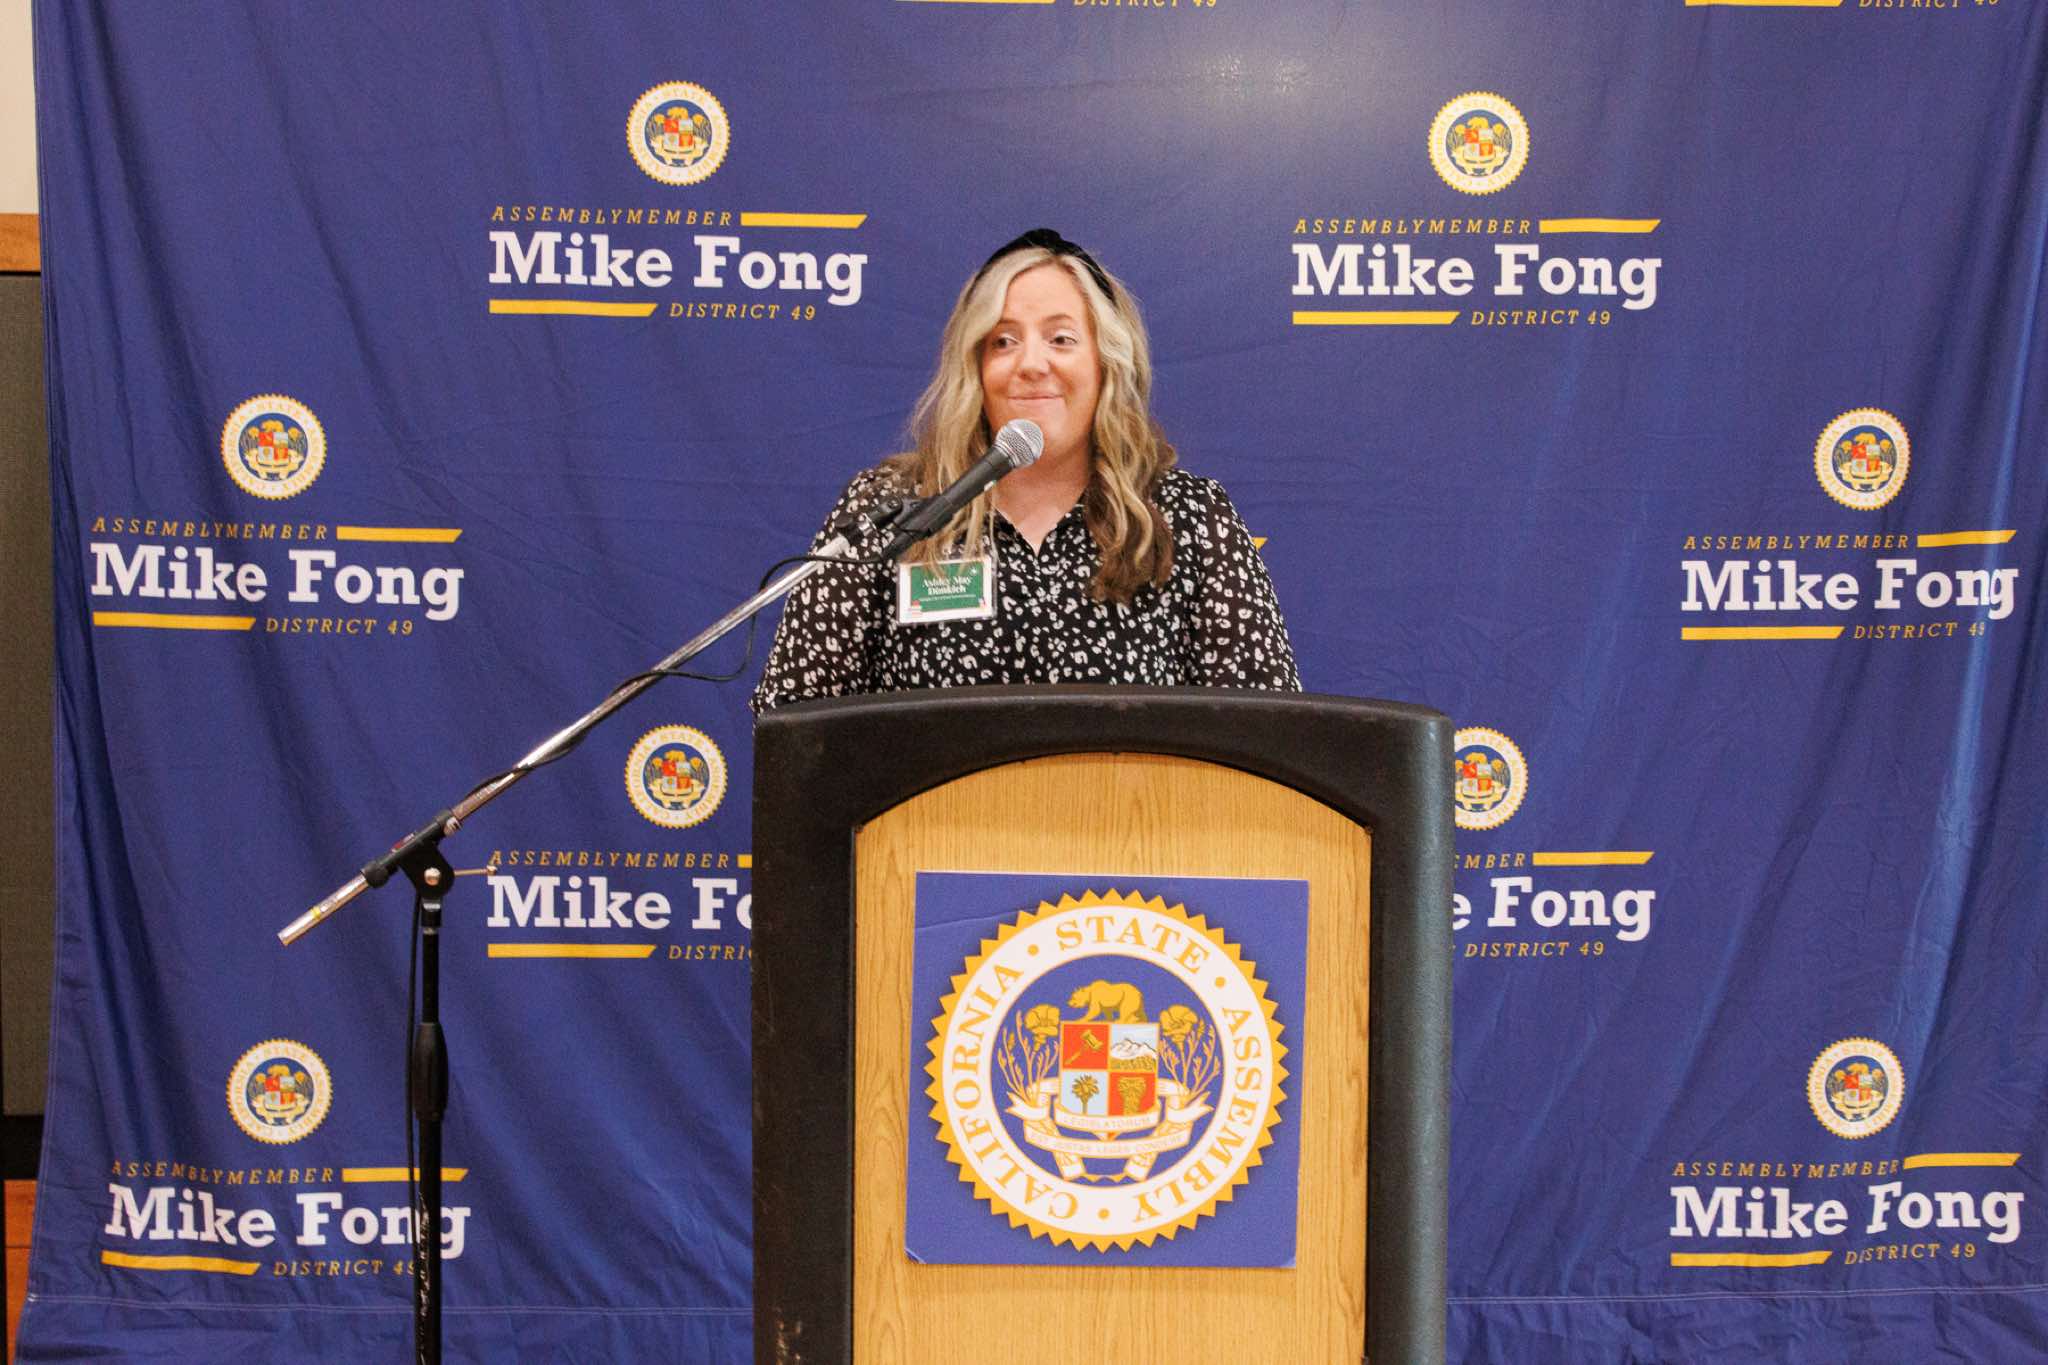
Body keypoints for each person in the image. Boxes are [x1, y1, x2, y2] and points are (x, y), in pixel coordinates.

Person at [749, 228, 1299, 713]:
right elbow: (794, 724)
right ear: (975, 366)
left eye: (1061, 339)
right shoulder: (889, 511)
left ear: (1105, 363)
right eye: (1003, 341)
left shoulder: (1188, 516)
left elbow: (1268, 729)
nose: (1032, 363)